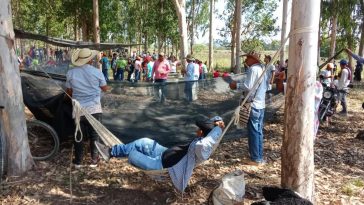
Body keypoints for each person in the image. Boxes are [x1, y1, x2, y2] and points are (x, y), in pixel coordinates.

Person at [95, 116, 225, 192]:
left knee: (133, 154)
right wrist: (218, 122)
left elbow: (203, 143)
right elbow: (210, 122)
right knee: (143, 141)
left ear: (203, 133)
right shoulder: (203, 137)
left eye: (199, 129)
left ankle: (115, 152)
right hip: (162, 152)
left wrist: (218, 129)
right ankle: (110, 152)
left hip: (162, 166)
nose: (197, 130)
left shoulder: (203, 149)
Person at [66, 48, 108, 168]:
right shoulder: (97, 72)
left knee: (78, 134)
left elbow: (69, 91)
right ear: (90, 60)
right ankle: (94, 160)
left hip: (78, 109)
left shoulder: (71, 73)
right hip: (94, 108)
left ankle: (78, 161)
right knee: (94, 134)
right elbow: (105, 88)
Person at [229, 52, 268, 166]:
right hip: (260, 104)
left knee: (253, 132)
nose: (245, 60)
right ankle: (258, 156)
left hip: (253, 104)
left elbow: (248, 87)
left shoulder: (253, 69)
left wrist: (235, 85)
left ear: (252, 59)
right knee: (258, 131)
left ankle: (256, 158)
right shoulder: (262, 68)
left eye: (247, 58)